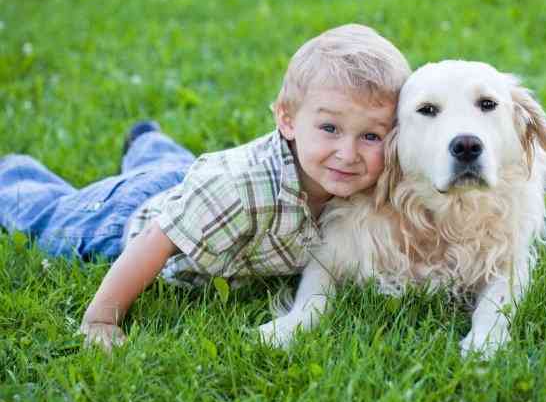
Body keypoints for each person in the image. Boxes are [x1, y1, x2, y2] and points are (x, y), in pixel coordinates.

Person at [0, 24, 412, 350]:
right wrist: (101, 321)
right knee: (47, 219)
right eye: (329, 128)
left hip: (185, 185)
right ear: (286, 120)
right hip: (125, 222)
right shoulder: (240, 192)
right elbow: (155, 240)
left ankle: (149, 144)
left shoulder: (359, 185)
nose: (349, 152)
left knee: (174, 173)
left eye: (371, 136)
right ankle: (16, 174)